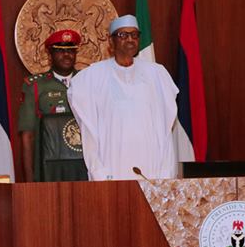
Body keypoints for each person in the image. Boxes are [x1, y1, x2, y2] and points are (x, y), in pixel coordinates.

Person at [68, 15, 179, 181]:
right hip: (112, 160)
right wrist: (98, 169)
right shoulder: (92, 76)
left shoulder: (156, 74)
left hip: (151, 162)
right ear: (111, 41)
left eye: (134, 35)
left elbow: (166, 124)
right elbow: (87, 122)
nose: (130, 40)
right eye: (123, 35)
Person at [18, 29, 88, 182]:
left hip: (85, 167)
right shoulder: (35, 86)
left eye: (71, 51)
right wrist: (30, 181)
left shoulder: (88, 82)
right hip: (49, 169)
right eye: (60, 51)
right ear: (50, 55)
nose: (67, 55)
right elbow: (27, 136)